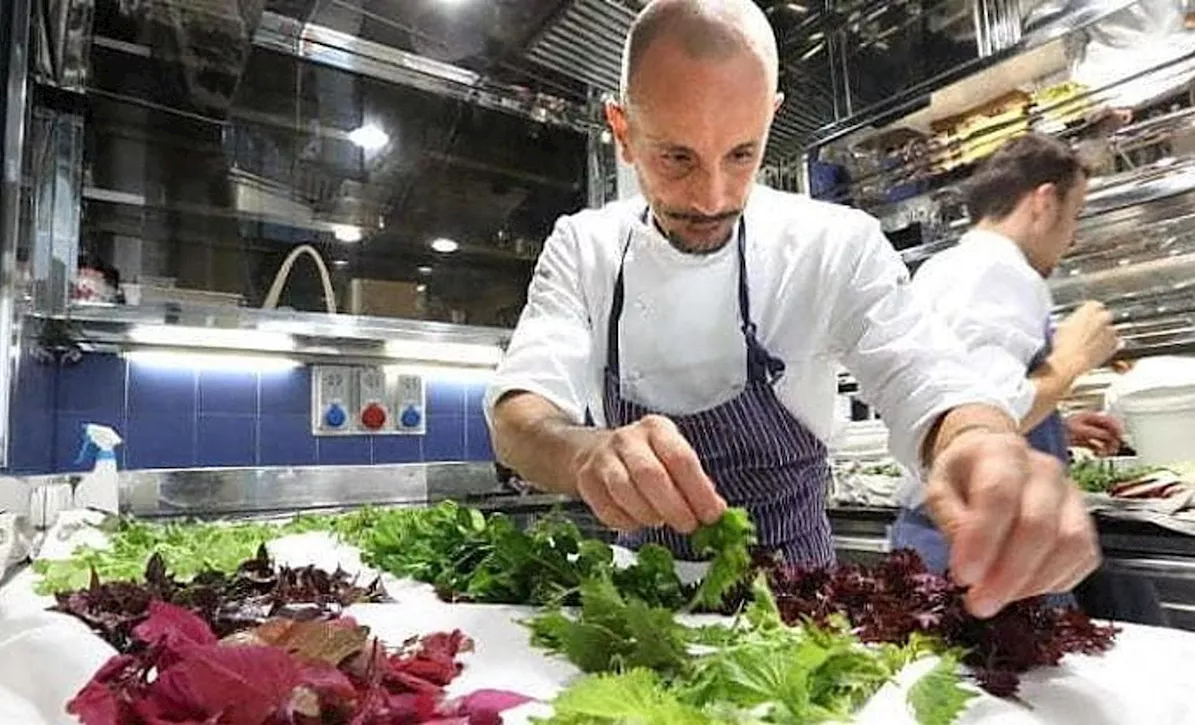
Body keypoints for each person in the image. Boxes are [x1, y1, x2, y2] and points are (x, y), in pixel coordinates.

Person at [486, 0, 1100, 620]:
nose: (713, 198)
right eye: (677, 157)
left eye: (741, 154)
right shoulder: (584, 247)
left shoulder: (835, 243)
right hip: (640, 613)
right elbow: (521, 418)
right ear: (622, 131)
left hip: (793, 609)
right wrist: (583, 452)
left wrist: (980, 442)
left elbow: (926, 376)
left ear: (770, 120)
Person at [889, 133, 1165, 623]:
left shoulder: (947, 267)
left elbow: (957, 404)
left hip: (940, 536)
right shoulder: (1000, 272)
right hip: (989, 547)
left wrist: (1057, 426)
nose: (1073, 235)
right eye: (1075, 213)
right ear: (1043, 202)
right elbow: (984, 412)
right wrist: (1071, 361)